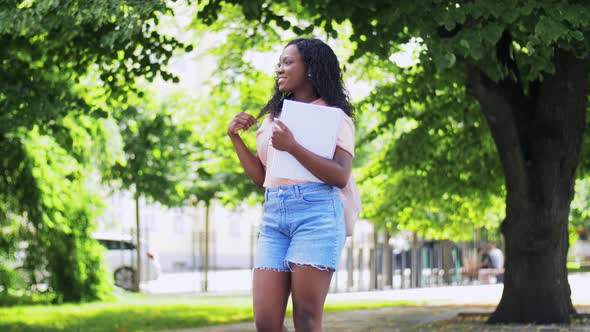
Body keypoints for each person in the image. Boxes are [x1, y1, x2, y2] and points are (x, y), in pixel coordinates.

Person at [227, 38, 355, 332]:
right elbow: (262, 178)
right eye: (279, 64)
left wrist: (292, 146)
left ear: (310, 69)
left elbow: (340, 175)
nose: (279, 70)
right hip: (274, 216)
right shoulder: (273, 118)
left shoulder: (335, 117)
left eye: (287, 62)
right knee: (266, 322)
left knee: (306, 318)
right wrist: (235, 138)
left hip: (317, 215)